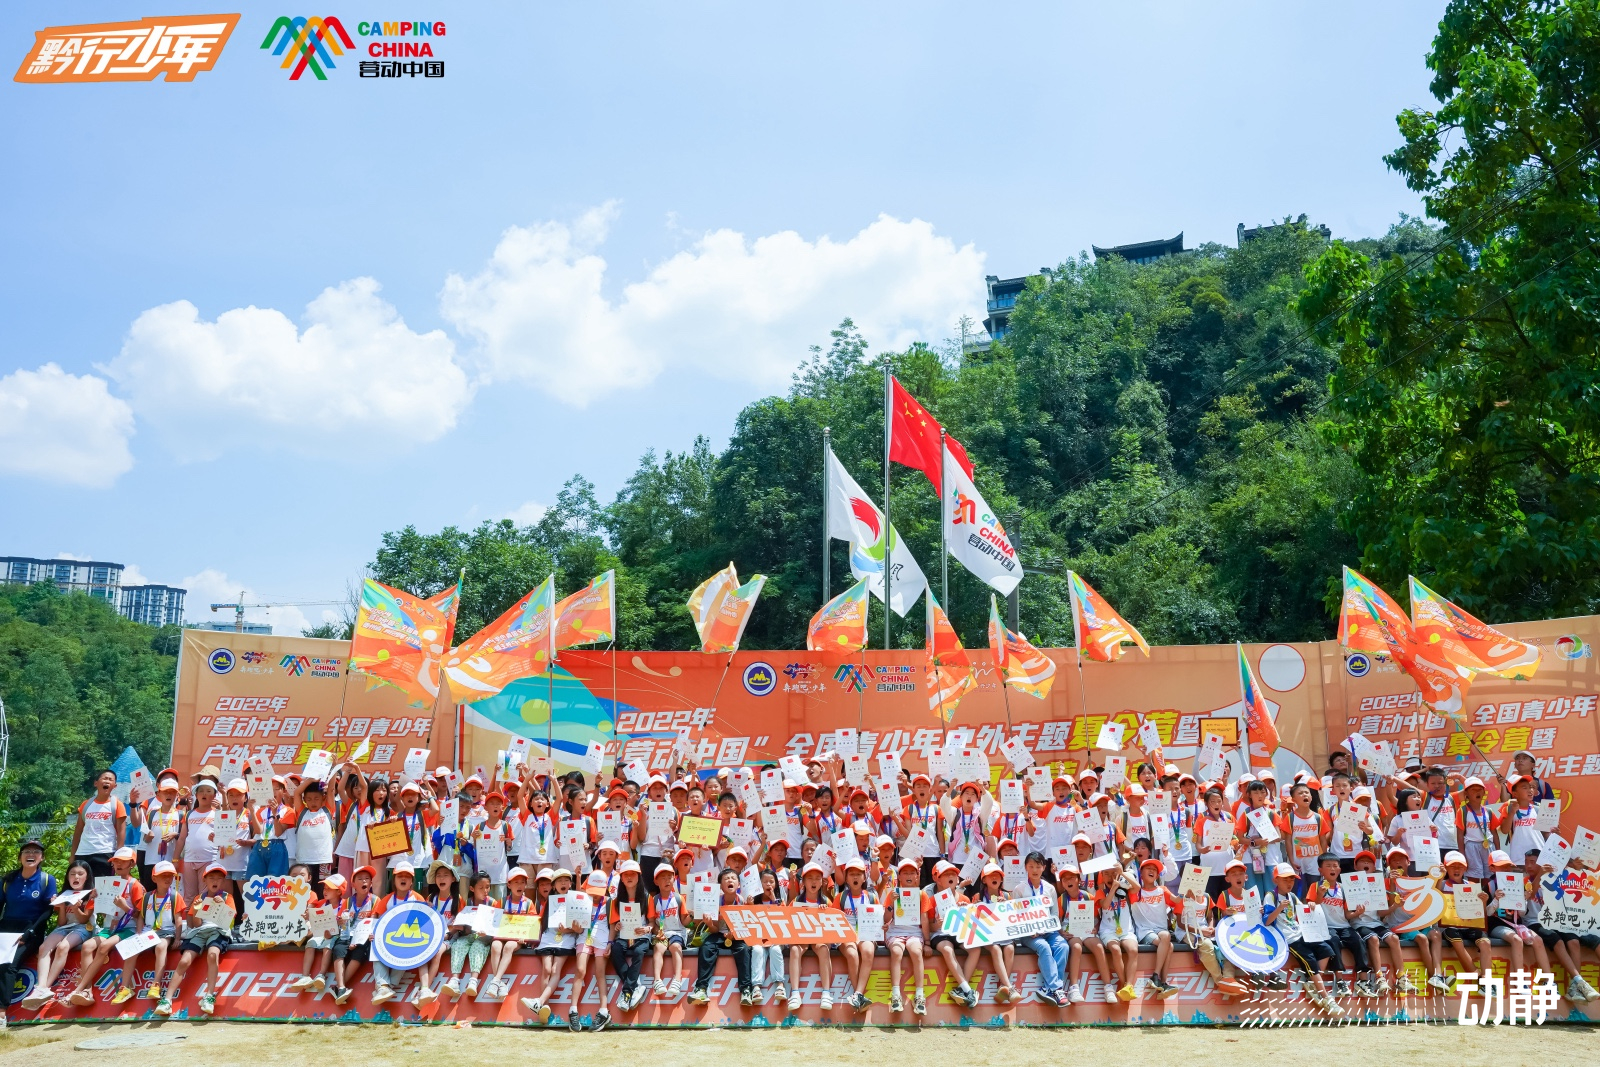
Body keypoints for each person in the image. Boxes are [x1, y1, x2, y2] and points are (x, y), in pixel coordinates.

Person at [65, 846, 144, 1007]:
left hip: (128, 929)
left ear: (132, 864)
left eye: (123, 861)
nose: (118, 864)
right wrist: (94, 898)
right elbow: (100, 913)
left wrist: (124, 907)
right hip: (109, 929)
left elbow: (141, 915)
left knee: (103, 947)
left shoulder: (135, 885)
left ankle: (78, 989)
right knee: (87, 946)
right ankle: (87, 991)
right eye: (116, 861)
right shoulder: (105, 884)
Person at [156, 861, 234, 1016]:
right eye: (211, 878)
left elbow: (229, 922)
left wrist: (222, 907)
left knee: (213, 954)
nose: (215, 881)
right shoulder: (199, 898)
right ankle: (167, 1000)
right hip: (199, 932)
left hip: (218, 931)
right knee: (184, 961)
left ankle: (209, 996)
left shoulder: (227, 897)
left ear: (223, 881)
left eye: (219, 878)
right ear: (204, 880)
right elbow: (194, 924)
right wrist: (197, 909)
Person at [1267, 862, 1341, 1015]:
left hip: (1302, 934)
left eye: (1291, 879)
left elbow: (1304, 912)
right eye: (1285, 879)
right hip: (1288, 939)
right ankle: (1326, 998)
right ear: (1275, 880)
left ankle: (1312, 982)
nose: (1289, 883)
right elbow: (1266, 921)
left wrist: (1312, 904)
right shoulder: (1271, 896)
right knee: (1309, 958)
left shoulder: (1293, 896)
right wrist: (1279, 908)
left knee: (1326, 949)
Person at [0, 839, 58, 1027]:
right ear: (20, 857)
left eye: (35, 852)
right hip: (6, 929)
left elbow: (48, 911)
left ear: (42, 858)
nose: (31, 855)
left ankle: (2, 1013)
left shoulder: (47, 880)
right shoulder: (7, 880)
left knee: (9, 965)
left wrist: (29, 933)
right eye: (26, 851)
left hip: (31, 930)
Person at [21, 858, 91, 1012]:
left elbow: (83, 920)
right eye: (72, 874)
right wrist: (61, 907)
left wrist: (76, 908)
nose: (76, 877)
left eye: (80, 874)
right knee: (43, 947)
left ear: (87, 877)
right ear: (68, 877)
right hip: (65, 927)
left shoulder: (91, 894)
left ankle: (45, 987)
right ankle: (41, 987)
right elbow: (61, 923)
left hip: (83, 928)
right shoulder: (64, 894)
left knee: (63, 947)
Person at [111, 859, 183, 1004]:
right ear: (154, 878)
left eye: (170, 876)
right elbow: (141, 917)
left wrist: (177, 938)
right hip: (148, 931)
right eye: (163, 876)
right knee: (132, 949)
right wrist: (138, 933)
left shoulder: (175, 896)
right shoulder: (147, 897)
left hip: (166, 931)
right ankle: (125, 988)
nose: (167, 879)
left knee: (161, 947)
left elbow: (178, 919)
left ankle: (156, 985)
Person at [520, 868, 582, 1022]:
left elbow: (580, 928)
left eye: (566, 880)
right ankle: (544, 1008)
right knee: (546, 969)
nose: (563, 883)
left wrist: (568, 930)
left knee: (555, 969)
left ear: (570, 884)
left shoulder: (576, 900)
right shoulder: (549, 901)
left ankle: (539, 1002)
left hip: (567, 939)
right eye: (559, 881)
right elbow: (541, 923)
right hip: (549, 937)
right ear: (554, 885)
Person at [686, 867, 753, 1008]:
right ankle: (701, 989)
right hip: (718, 934)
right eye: (726, 879)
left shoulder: (743, 902)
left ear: (738, 884)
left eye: (733, 878)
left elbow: (746, 927)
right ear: (721, 886)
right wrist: (710, 924)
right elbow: (715, 929)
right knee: (706, 947)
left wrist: (734, 934)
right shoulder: (714, 901)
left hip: (737, 935)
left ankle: (746, 990)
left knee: (744, 949)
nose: (730, 880)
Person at [369, 860, 428, 1007]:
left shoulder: (418, 899)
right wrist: (373, 933)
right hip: (388, 939)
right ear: (394, 880)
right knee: (374, 946)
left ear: (412, 881)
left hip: (409, 940)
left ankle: (388, 986)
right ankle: (383, 985)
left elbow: (424, 923)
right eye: (399, 876)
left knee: (406, 950)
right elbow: (377, 920)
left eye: (407, 876)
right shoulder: (386, 899)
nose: (403, 879)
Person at [883, 857, 931, 1014]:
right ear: (899, 876)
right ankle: (896, 995)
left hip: (914, 933)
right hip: (895, 932)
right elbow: (886, 919)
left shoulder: (922, 894)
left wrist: (927, 942)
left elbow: (924, 918)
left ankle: (919, 995)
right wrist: (891, 904)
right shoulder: (892, 894)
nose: (909, 876)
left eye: (912, 873)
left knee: (916, 951)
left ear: (917, 876)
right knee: (896, 951)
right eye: (905, 873)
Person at [786, 861, 836, 1009]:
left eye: (817, 878)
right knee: (794, 949)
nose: (814, 882)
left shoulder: (827, 902)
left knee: (824, 949)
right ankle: (795, 993)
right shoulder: (795, 902)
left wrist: (826, 913)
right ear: (803, 882)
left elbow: (832, 927)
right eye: (810, 878)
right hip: (801, 939)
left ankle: (826, 993)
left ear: (822, 882)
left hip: (819, 939)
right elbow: (788, 922)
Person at [1128, 856, 1179, 999]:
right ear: (1141, 873)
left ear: (1157, 875)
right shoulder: (1136, 891)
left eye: (1155, 870)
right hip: (1144, 931)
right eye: (1148, 869)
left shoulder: (1162, 890)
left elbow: (1176, 901)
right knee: (1168, 944)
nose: (1152, 871)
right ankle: (1159, 979)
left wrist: (1186, 893)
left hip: (1161, 930)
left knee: (1167, 941)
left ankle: (1159, 980)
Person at [834, 857, 880, 1013]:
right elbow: (834, 920)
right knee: (852, 954)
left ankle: (857, 994)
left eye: (859, 874)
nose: (855, 877)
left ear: (864, 877)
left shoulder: (871, 897)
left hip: (865, 934)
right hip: (846, 936)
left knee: (868, 950)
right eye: (852, 874)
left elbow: (879, 919)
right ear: (846, 878)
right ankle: (858, 994)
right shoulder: (840, 897)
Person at [484, 868, 537, 1001]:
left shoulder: (529, 903)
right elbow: (494, 921)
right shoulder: (501, 902)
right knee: (495, 946)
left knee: (508, 946)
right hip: (501, 936)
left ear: (526, 885)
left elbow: (533, 925)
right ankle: (499, 983)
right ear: (509, 885)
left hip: (517, 939)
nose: (519, 885)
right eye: (516, 882)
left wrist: (525, 937)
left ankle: (495, 981)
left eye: (522, 882)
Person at [609, 859, 653, 1013]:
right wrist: (614, 932)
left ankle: (627, 992)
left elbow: (652, 922)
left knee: (639, 951)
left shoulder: (647, 897)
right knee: (615, 950)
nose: (629, 877)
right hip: (623, 936)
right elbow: (614, 924)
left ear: (638, 877)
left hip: (642, 936)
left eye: (632, 874)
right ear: (621, 878)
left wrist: (647, 929)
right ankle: (636, 986)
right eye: (625, 874)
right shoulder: (616, 901)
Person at [445, 872, 497, 1001]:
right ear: (472, 889)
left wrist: (487, 932)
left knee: (477, 946)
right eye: (481, 888)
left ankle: (473, 980)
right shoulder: (466, 903)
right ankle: (454, 980)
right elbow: (460, 923)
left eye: (487, 887)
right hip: (468, 935)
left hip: (485, 938)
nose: (485, 891)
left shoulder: (493, 903)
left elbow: (496, 926)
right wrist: (455, 928)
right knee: (458, 945)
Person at [72, 770, 127, 879]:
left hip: (105, 852)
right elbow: (78, 831)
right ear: (96, 783)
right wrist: (72, 855)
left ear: (114, 786)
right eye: (104, 778)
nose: (107, 781)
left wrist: (118, 856)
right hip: (83, 852)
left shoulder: (117, 805)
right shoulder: (86, 805)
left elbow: (121, 832)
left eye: (110, 780)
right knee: (82, 886)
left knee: (102, 887)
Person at [649, 864, 689, 997]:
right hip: (661, 934)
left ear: (674, 879)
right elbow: (651, 922)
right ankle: (657, 980)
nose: (667, 880)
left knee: (676, 947)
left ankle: (677, 979)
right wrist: (657, 932)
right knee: (658, 948)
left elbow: (684, 921)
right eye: (663, 878)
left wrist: (693, 916)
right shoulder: (653, 900)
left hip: (677, 932)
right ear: (656, 881)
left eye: (669, 877)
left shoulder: (679, 898)